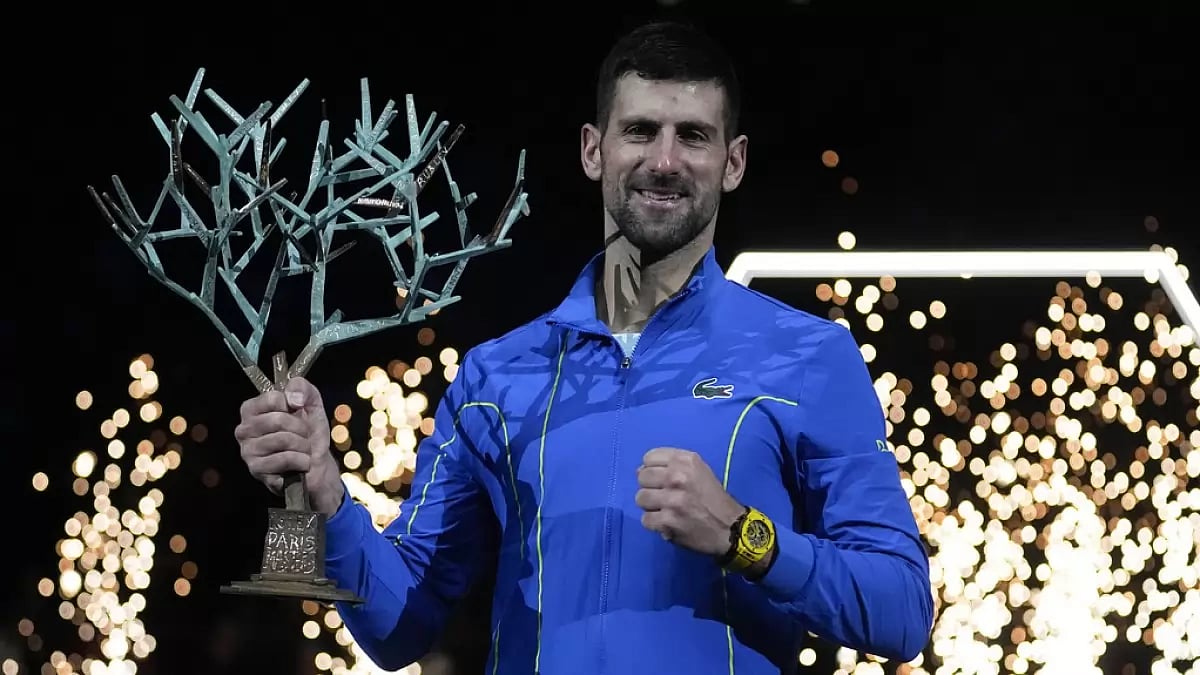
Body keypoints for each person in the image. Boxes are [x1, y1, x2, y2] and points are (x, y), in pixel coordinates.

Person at [235, 19, 934, 674]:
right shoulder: (497, 375)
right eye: (639, 131)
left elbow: (903, 613)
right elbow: (396, 628)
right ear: (593, 149)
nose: (664, 160)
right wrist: (324, 491)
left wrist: (745, 537)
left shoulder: (809, 356)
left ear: (733, 162)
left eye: (693, 135)